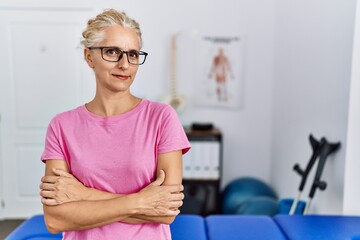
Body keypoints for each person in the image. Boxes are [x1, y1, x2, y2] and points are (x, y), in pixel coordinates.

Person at [39, 9, 191, 240]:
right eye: (112, 52)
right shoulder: (62, 126)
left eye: (132, 54)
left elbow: (166, 212)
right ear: (89, 57)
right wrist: (141, 201)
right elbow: (55, 219)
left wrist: (83, 195)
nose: (125, 64)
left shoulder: (161, 117)